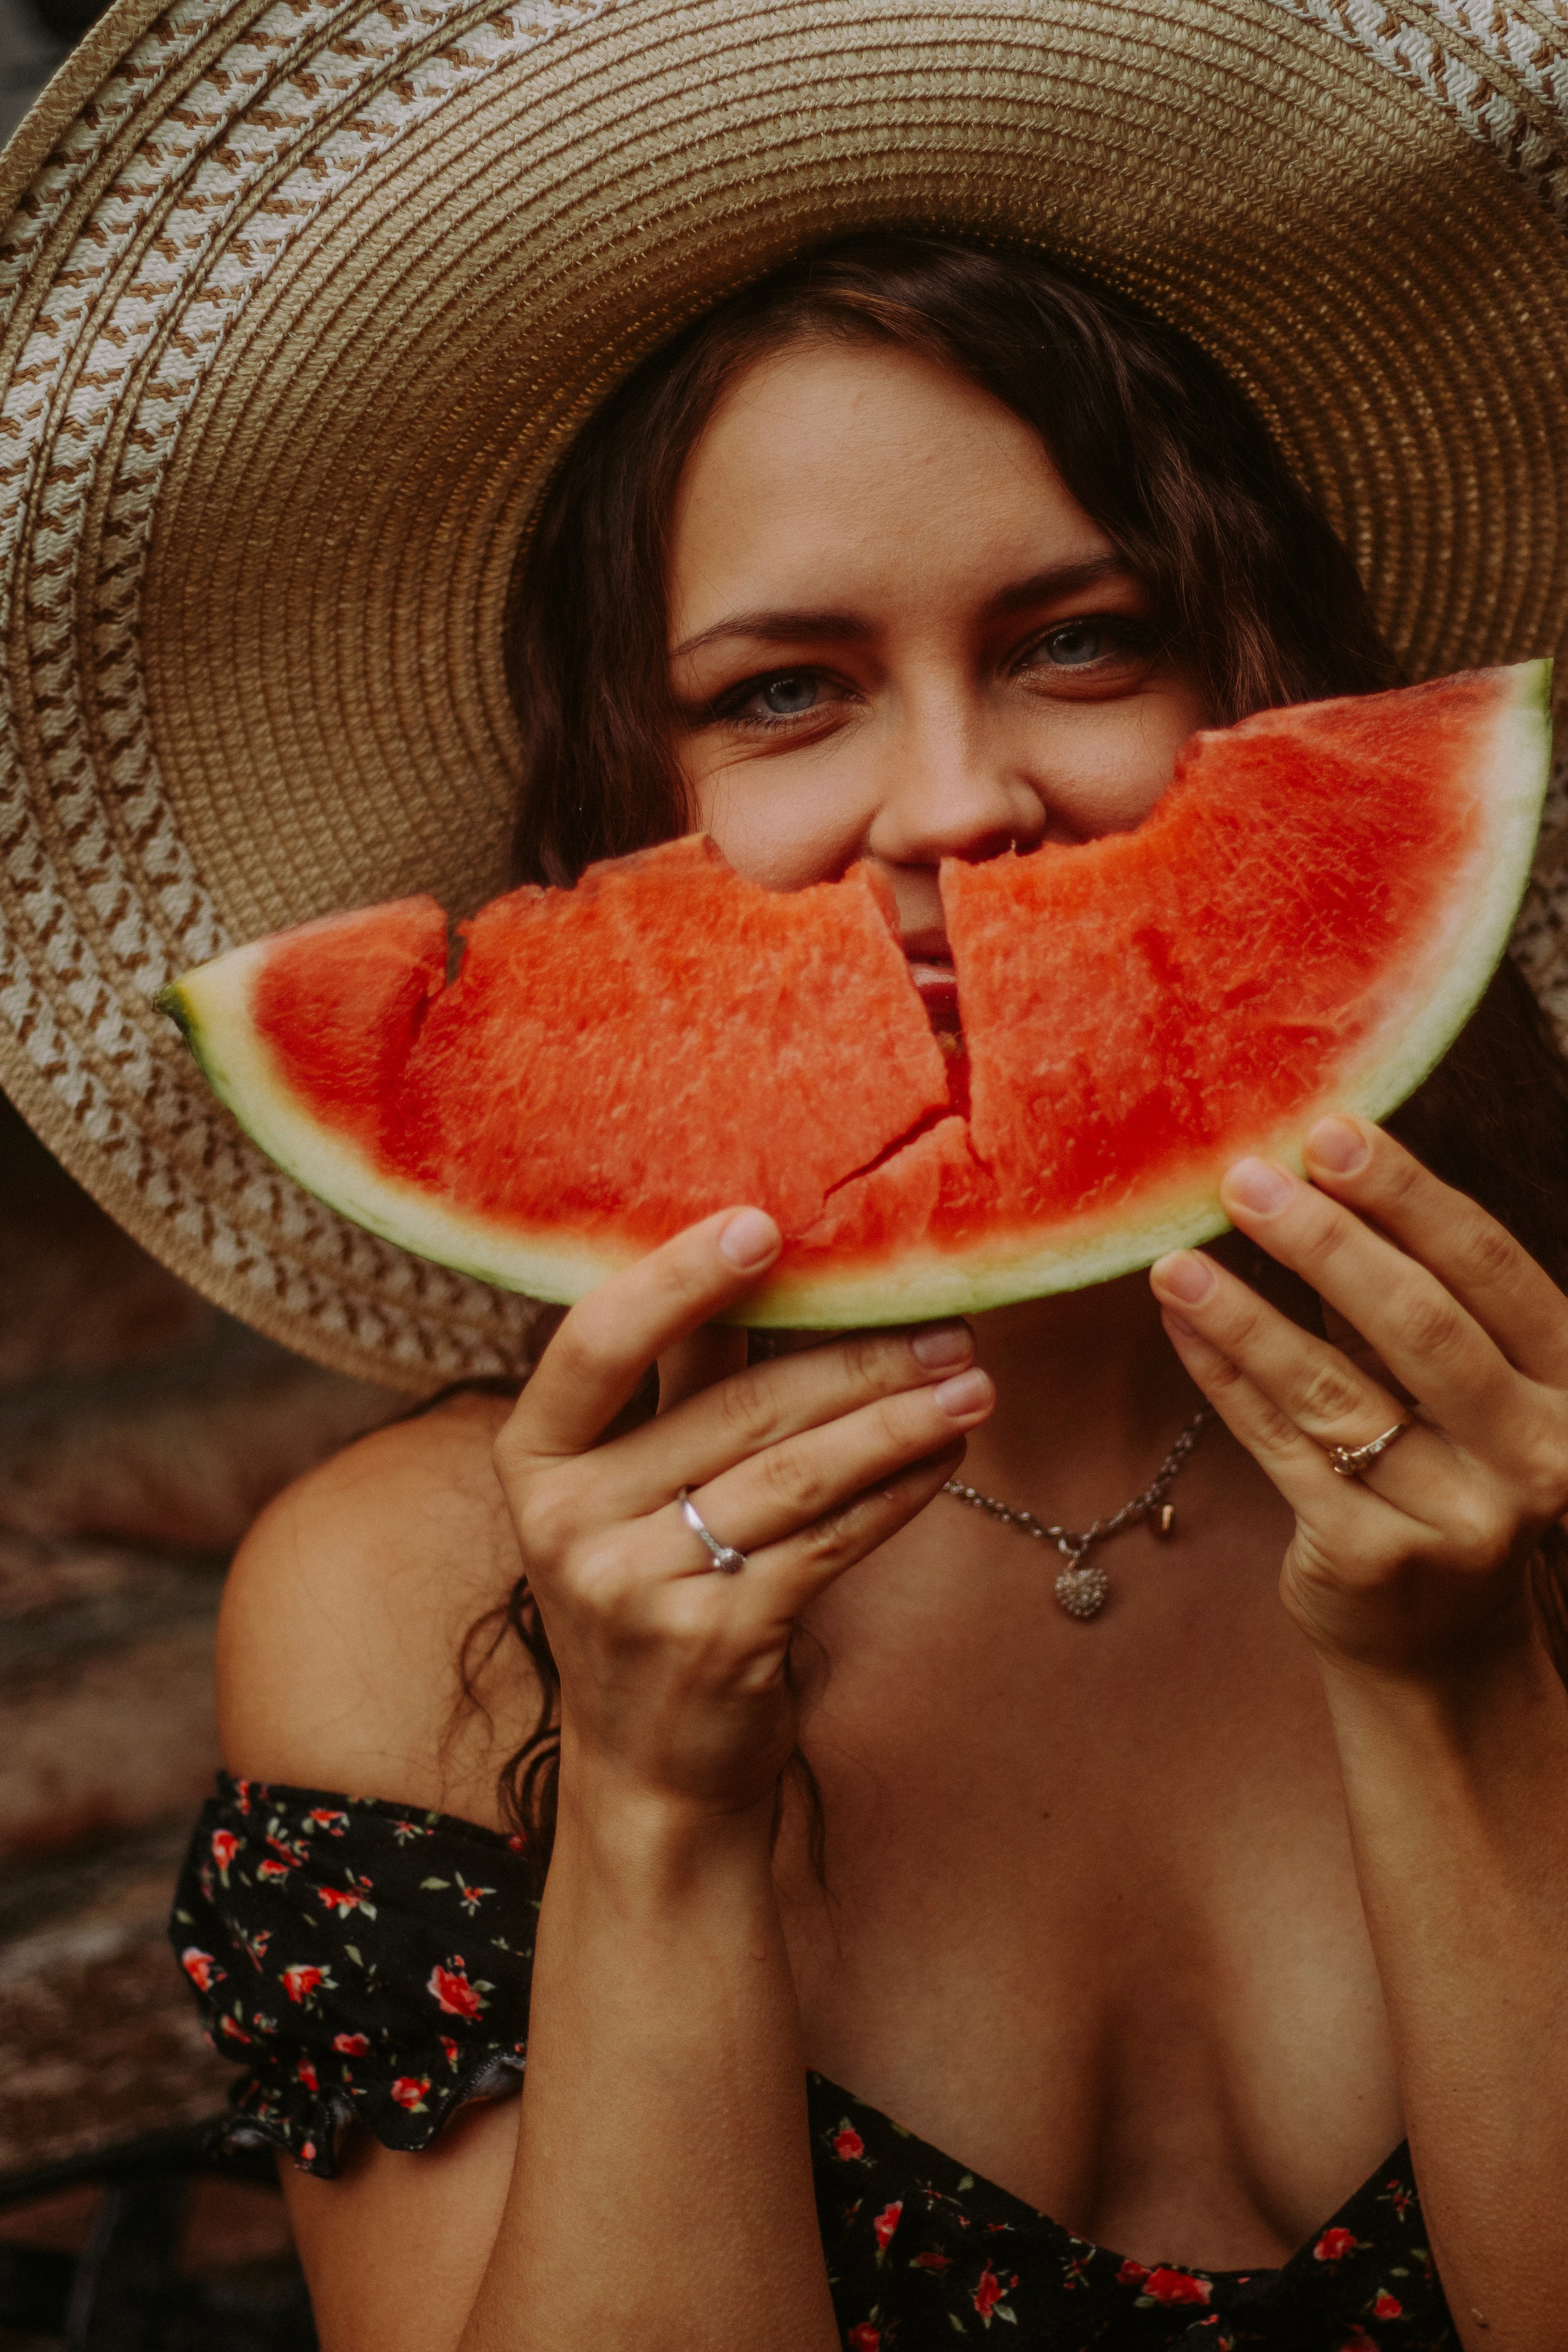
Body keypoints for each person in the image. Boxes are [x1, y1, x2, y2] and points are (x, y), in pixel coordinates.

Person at [168, 237, 1568, 2352]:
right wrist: (649, 1808)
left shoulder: (1545, 1449)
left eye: (1082, 640)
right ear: (622, 811)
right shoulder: (403, 1604)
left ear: (1262, 701)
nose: (954, 801)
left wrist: (1466, 1690)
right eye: (781, 692)